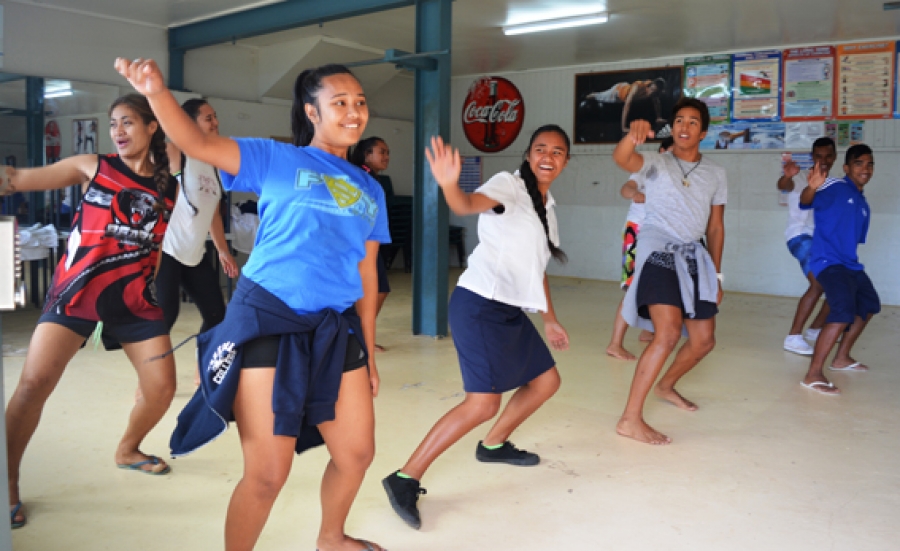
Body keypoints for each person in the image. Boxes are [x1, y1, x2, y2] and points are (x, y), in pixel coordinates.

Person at [116, 58, 389, 551]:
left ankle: (330, 538)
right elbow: (197, 143)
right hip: (267, 317)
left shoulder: (371, 189)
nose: (353, 112)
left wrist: (367, 350)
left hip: (333, 326)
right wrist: (157, 93)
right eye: (340, 103)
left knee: (356, 454)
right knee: (267, 474)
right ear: (311, 112)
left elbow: (366, 274)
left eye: (360, 102)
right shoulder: (275, 158)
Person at [0, 93, 179, 529]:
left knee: (161, 389)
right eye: (113, 123)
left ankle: (128, 449)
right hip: (76, 292)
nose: (118, 132)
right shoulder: (92, 166)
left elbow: (155, 247)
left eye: (128, 123)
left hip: (135, 299)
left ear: (151, 127)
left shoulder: (168, 186)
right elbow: (19, 177)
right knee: (32, 386)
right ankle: (7, 483)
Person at [382, 127, 571, 530]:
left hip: (509, 311)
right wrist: (450, 184)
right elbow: (466, 203)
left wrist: (549, 317)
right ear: (529, 153)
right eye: (541, 149)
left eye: (557, 152)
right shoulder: (509, 185)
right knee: (482, 402)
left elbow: (537, 272)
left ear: (565, 161)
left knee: (545, 381)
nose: (548, 156)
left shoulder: (547, 207)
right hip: (480, 304)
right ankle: (404, 477)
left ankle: (493, 444)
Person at [613, 98, 727, 445]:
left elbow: (717, 227)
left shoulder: (716, 174)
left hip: (694, 255)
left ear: (703, 132)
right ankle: (630, 419)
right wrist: (631, 138)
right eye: (679, 120)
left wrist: (717, 275)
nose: (684, 126)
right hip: (658, 250)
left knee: (704, 340)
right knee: (667, 333)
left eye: (693, 122)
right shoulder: (655, 163)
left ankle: (666, 385)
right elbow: (622, 160)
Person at [155, 99, 239, 382]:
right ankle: (151, 380)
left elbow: (212, 212)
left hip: (195, 254)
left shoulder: (215, 163)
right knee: (165, 318)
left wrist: (224, 252)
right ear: (190, 123)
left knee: (217, 314)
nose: (215, 123)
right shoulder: (177, 152)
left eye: (215, 117)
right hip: (167, 250)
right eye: (207, 118)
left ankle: (202, 371)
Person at [797, 145, 879, 395]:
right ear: (846, 168)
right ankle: (812, 374)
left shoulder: (863, 204)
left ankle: (841, 357)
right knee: (842, 311)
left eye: (869, 164)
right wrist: (811, 187)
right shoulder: (833, 187)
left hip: (850, 264)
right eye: (859, 163)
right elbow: (805, 201)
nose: (865, 169)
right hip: (828, 262)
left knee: (868, 305)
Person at [606, 136, 674, 360]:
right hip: (638, 232)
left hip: (662, 235)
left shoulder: (678, 176)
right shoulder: (648, 168)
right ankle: (615, 344)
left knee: (659, 284)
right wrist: (635, 194)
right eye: (672, 150)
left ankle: (649, 330)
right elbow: (627, 187)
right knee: (633, 287)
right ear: (662, 150)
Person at [777, 139, 836, 355]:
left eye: (828, 156)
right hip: (799, 236)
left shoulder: (833, 184)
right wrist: (787, 175)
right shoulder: (800, 176)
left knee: (835, 282)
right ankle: (793, 336)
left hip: (821, 240)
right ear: (812, 157)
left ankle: (815, 329)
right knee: (819, 283)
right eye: (819, 156)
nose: (824, 160)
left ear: (835, 157)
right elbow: (783, 186)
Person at [350, 136, 393, 351]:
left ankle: (361, 336)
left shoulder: (372, 180)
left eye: (387, 153)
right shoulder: (360, 177)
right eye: (381, 152)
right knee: (373, 290)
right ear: (367, 154)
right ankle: (358, 338)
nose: (386, 157)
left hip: (369, 242)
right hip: (361, 244)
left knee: (379, 290)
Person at [582, 78, 668, 133]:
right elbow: (627, 105)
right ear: (650, 86)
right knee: (599, 96)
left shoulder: (654, 93)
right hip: (617, 92)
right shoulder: (638, 87)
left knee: (655, 99)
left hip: (625, 86)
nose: (651, 93)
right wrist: (623, 127)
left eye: (655, 92)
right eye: (651, 90)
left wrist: (658, 117)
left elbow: (657, 102)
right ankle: (586, 96)